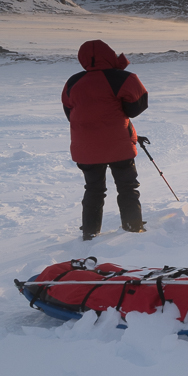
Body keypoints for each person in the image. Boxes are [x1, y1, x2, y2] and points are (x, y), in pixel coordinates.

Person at [62, 40, 149, 240]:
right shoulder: (123, 78)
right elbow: (138, 106)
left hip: (85, 148)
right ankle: (133, 228)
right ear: (109, 54)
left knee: (93, 189)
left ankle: (90, 233)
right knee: (127, 187)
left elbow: (70, 113)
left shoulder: (72, 82)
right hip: (119, 144)